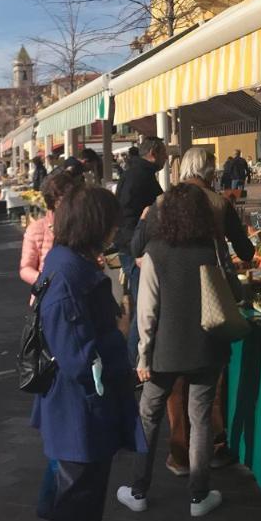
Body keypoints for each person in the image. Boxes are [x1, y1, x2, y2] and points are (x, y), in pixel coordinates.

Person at [32, 187, 142, 521]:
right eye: (111, 224)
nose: (115, 231)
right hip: (79, 411)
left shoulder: (69, 262)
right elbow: (78, 358)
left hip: (81, 409)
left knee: (82, 498)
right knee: (78, 502)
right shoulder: (68, 274)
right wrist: (120, 333)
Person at [117, 183, 226, 518]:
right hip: (207, 345)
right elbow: (227, 288)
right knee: (200, 418)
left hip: (163, 352)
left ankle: (138, 489)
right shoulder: (211, 247)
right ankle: (199, 495)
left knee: (148, 416)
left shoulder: (155, 251)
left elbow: (147, 309)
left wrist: (143, 354)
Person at [115, 137, 166, 365]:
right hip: (136, 249)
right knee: (142, 307)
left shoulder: (134, 172)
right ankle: (133, 362)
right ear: (154, 152)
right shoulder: (140, 176)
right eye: (164, 154)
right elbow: (128, 215)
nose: (166, 159)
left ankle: (134, 359)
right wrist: (136, 249)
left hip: (133, 245)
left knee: (141, 306)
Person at [20, 170, 84, 288]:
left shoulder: (82, 224)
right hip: (49, 295)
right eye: (62, 198)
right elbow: (25, 268)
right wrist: (44, 281)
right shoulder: (36, 229)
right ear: (52, 200)